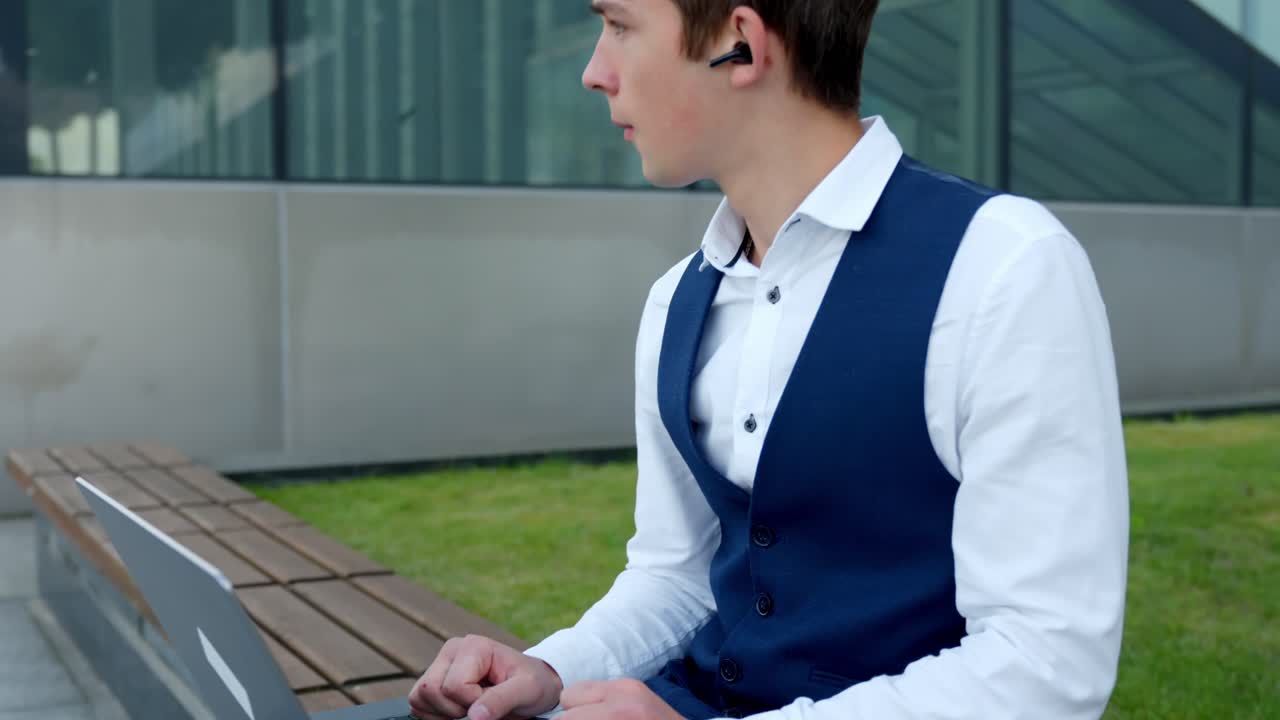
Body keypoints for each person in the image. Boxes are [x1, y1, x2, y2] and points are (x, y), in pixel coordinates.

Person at [408, 0, 1129, 718]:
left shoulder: (1004, 266)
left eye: (620, 25)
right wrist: (549, 669)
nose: (595, 72)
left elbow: (1048, 666)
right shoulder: (676, 300)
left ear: (741, 46)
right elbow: (679, 576)